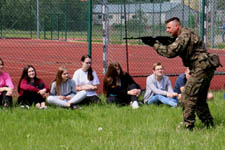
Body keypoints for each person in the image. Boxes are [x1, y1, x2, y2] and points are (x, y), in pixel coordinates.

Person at [142, 17, 218, 130]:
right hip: (204, 67)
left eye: (169, 28)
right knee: (199, 99)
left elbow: (171, 52)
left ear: (177, 26)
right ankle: (209, 124)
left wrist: (155, 44)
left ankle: (188, 126)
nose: (167, 30)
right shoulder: (184, 34)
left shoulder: (184, 35)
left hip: (200, 68)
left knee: (187, 97)